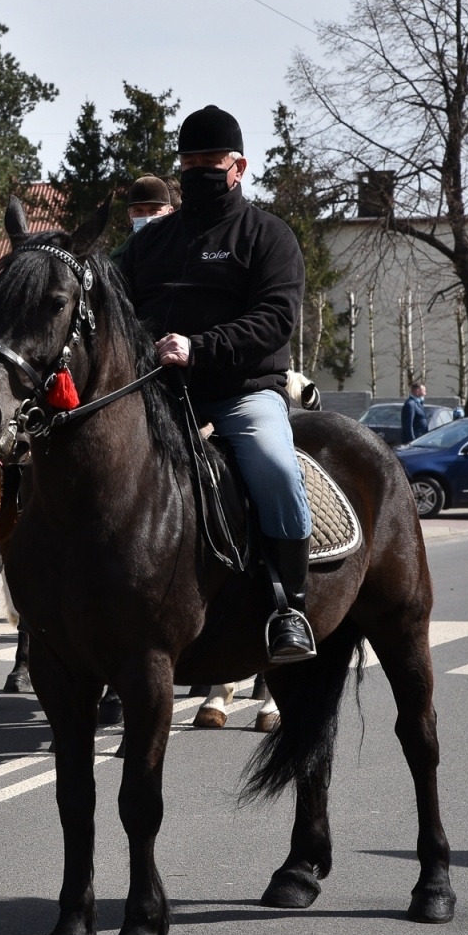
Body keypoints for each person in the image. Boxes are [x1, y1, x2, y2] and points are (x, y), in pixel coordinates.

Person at [121, 105, 317, 664]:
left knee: (276, 468)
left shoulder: (268, 236)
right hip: (155, 393)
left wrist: (198, 347)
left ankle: (290, 608)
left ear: (239, 167)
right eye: (188, 160)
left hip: (240, 393)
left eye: (211, 160)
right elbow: (112, 305)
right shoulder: (149, 242)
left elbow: (276, 318)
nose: (198, 169)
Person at [110, 175, 178, 269]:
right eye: (138, 211)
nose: (146, 217)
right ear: (130, 215)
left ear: (170, 212)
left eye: (153, 211)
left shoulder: (183, 249)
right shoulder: (117, 259)